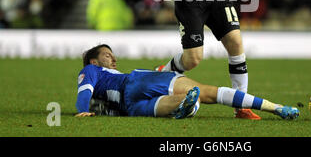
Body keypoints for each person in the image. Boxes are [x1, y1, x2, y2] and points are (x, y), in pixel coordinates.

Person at [75, 44, 299, 120]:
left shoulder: (103, 85)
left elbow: (92, 96)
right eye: (107, 55)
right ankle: (275, 107)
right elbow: (84, 90)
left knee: (182, 102)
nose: (113, 58)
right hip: (137, 81)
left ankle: (185, 106)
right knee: (208, 92)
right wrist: (82, 110)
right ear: (94, 60)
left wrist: (90, 108)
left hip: (132, 107)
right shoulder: (91, 69)